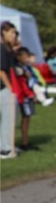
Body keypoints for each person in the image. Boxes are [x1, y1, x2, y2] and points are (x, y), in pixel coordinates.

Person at [0, 22, 18, 159]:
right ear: (4, 33)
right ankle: (5, 148)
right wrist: (10, 87)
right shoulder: (1, 49)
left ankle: (9, 144)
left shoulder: (7, 49)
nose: (13, 35)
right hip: (4, 88)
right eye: (11, 32)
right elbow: (1, 71)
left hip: (8, 88)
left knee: (10, 118)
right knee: (8, 118)